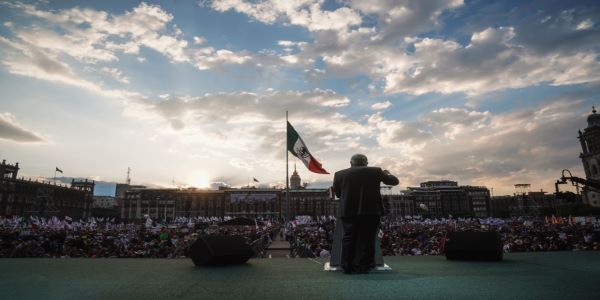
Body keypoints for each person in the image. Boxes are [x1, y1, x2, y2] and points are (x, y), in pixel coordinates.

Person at [333, 154, 399, 274]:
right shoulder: (376, 171)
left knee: (348, 238)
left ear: (351, 163)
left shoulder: (339, 174)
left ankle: (346, 267)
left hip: (348, 211)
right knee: (367, 239)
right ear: (366, 163)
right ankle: (364, 267)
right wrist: (387, 173)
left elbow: (338, 194)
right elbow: (394, 182)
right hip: (371, 211)